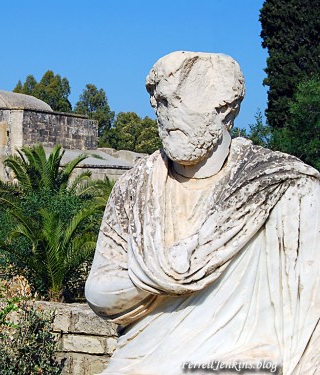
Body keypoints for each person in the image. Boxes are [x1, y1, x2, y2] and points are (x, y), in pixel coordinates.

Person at [85, 51, 319, 375]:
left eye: (176, 101)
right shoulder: (135, 188)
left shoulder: (283, 187)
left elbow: (308, 317)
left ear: (223, 107)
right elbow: (98, 292)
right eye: (159, 104)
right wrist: (161, 276)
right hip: (141, 360)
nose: (165, 116)